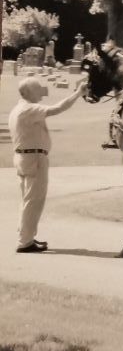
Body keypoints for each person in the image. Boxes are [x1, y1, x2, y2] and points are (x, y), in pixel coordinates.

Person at [10, 77, 88, 253]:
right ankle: (25, 241)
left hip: (24, 157)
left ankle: (26, 236)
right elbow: (57, 108)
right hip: (34, 158)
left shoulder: (18, 108)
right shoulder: (28, 108)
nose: (42, 94)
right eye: (38, 90)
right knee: (33, 200)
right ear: (28, 92)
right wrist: (77, 93)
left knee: (28, 200)